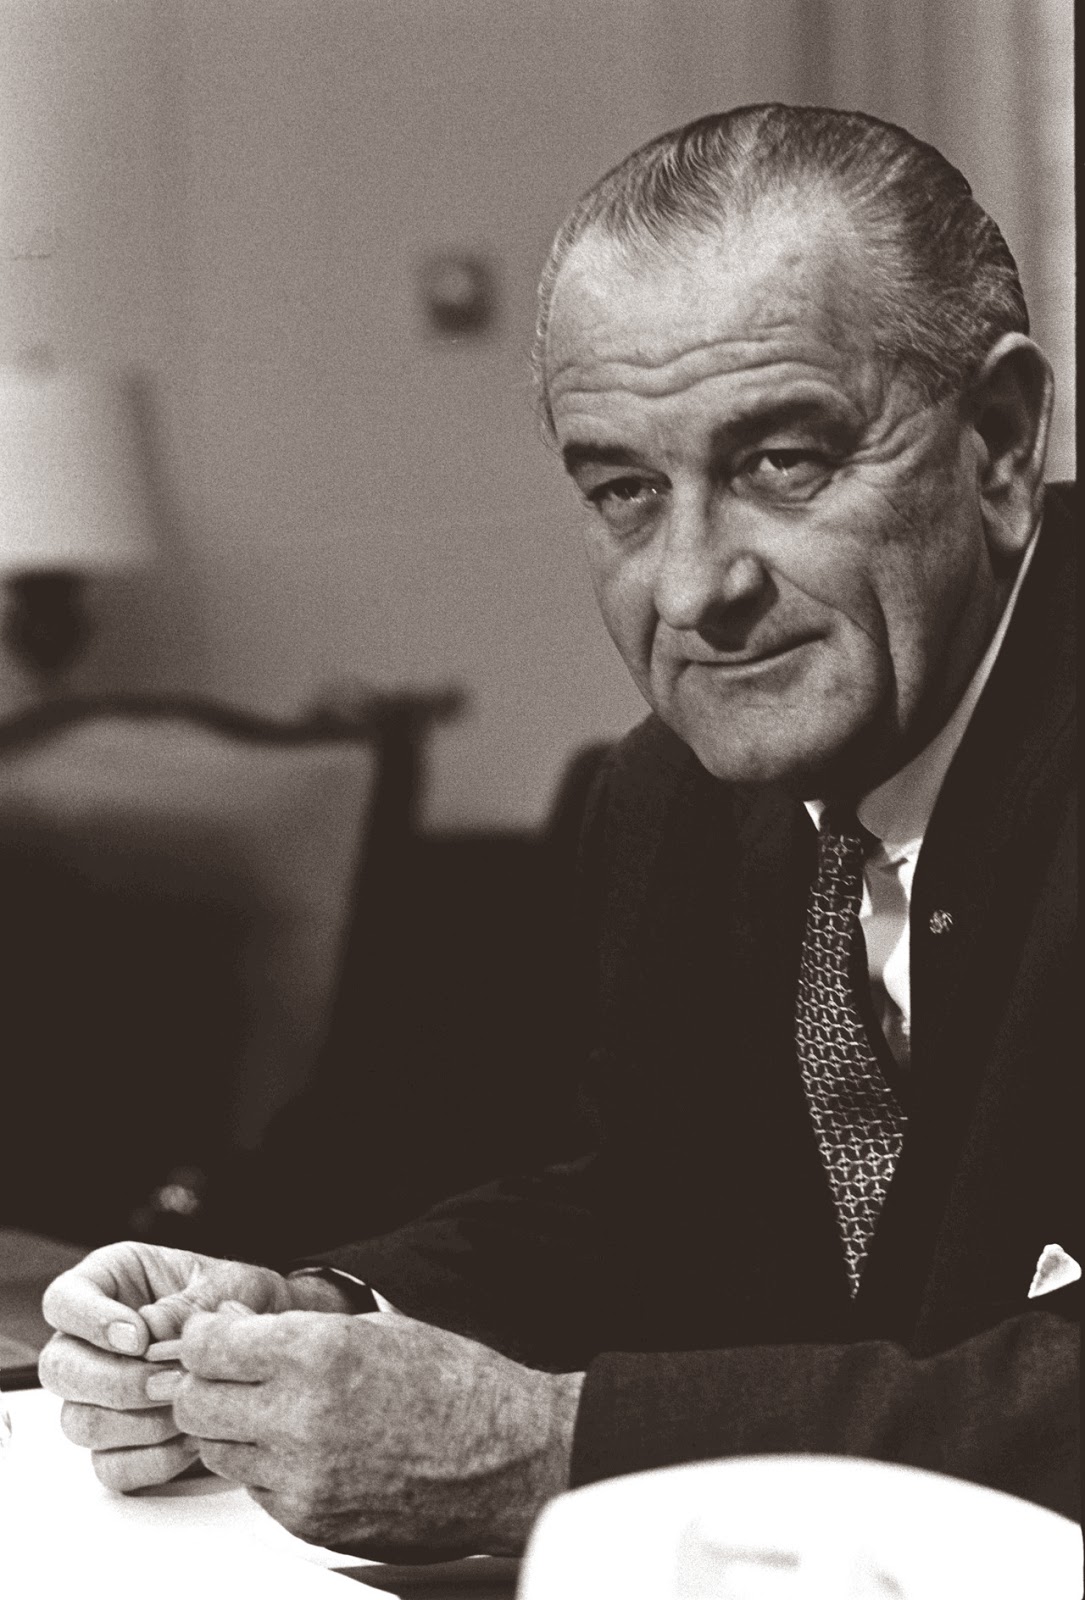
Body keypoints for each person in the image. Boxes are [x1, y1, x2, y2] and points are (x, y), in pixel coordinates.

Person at [38, 104, 1077, 1559]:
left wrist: (558, 1453)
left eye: (783, 461)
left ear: (1001, 445)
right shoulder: (664, 796)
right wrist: (313, 1316)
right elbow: (653, 1209)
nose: (693, 590)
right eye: (625, 492)